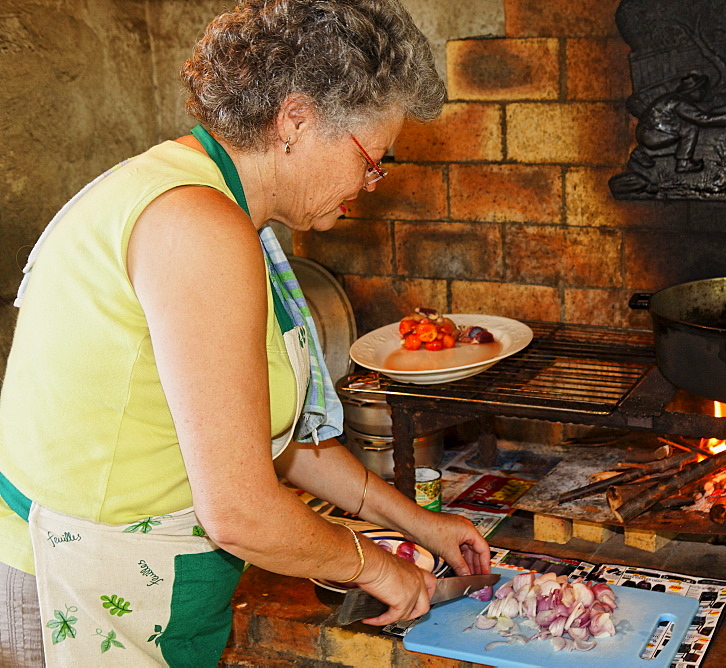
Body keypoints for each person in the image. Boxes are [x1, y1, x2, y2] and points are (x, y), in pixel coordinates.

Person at [0, 1, 490, 665]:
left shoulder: (214, 203)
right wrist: (375, 566)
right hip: (82, 576)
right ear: (295, 120)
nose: (371, 183)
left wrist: (416, 520)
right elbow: (239, 509)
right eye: (372, 159)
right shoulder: (197, 226)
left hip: (143, 566)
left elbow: (265, 439)